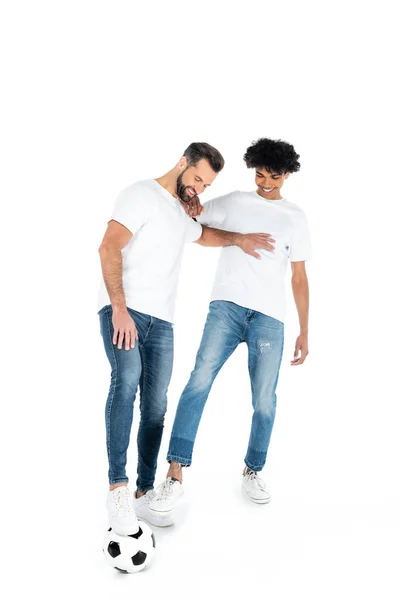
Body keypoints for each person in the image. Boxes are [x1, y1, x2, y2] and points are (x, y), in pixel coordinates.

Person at [97, 142, 275, 535]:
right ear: (181, 163)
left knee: (156, 407)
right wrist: (120, 308)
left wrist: (238, 239)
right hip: (124, 311)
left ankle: (144, 491)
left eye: (206, 185)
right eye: (196, 179)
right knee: (125, 384)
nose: (198, 188)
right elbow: (108, 246)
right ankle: (118, 488)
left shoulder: (180, 210)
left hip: (162, 323)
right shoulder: (140, 194)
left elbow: (203, 234)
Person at [149, 137, 311, 517]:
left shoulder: (296, 218)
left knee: (265, 400)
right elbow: (195, 214)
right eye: (259, 175)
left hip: (270, 317)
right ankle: (174, 474)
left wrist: (305, 330)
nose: (265, 183)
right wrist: (192, 204)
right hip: (226, 307)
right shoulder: (238, 202)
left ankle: (252, 470)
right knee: (199, 381)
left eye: (274, 177)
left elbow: (299, 277)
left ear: (287, 174)